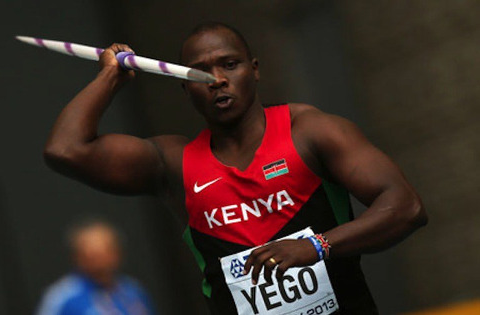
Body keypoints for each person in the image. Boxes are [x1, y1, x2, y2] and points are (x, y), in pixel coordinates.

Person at [43, 22, 427, 314]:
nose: (217, 80)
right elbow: (65, 149)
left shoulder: (311, 132)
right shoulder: (173, 163)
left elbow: (406, 208)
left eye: (230, 64)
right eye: (198, 72)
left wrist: (316, 246)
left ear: (254, 69)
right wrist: (111, 76)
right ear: (184, 87)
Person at [36, 218, 155, 315]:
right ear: (78, 257)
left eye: (107, 251)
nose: (102, 260)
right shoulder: (62, 297)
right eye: (93, 255)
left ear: (118, 253)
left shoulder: (133, 290)